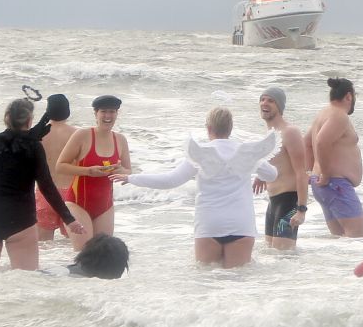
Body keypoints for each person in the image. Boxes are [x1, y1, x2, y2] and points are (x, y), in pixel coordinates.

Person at [112, 107, 277, 268]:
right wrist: (260, 176)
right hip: (241, 224)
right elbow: (272, 175)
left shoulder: (201, 154)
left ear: (208, 128)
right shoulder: (247, 153)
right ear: (230, 128)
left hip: (209, 224)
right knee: (237, 284)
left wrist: (132, 178)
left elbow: (171, 180)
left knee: (207, 281)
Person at [0, 98, 84, 270]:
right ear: (29, 120)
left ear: (7, 118)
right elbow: (46, 186)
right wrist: (69, 219)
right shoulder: (33, 146)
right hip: (20, 220)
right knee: (26, 283)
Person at [56, 95, 131, 251]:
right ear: (95, 113)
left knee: (103, 254)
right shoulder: (82, 135)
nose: (108, 116)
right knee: (84, 254)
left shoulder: (120, 140)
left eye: (112, 112)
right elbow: (60, 166)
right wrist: (88, 171)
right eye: (103, 111)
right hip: (77, 203)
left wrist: (119, 171)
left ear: (117, 114)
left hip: (105, 205)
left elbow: (128, 171)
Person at [304, 77, 363, 237]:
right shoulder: (339, 116)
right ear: (348, 96)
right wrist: (325, 174)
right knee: (357, 237)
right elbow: (321, 142)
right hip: (335, 184)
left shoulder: (323, 114)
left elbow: (307, 143)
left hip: (325, 186)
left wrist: (310, 172)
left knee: (340, 242)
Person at [253, 88, 309, 251]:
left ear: (280, 106)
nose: (264, 103)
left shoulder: (290, 132)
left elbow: (301, 172)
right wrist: (261, 175)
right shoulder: (270, 135)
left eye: (270, 100)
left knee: (284, 258)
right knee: (272, 257)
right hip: (273, 202)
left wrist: (301, 210)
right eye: (262, 99)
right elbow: (278, 163)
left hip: (289, 202)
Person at [36, 94, 78, 240]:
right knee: (72, 243)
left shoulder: (38, 135)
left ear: (48, 111)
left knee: (43, 244)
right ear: (67, 111)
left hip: (45, 192)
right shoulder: (77, 134)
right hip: (72, 193)